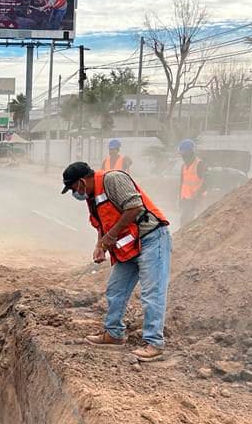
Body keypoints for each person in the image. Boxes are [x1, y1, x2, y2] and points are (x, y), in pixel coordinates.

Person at [61, 160, 172, 361]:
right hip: (129, 246)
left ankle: (154, 343)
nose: (74, 193)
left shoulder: (113, 179)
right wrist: (100, 245)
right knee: (115, 288)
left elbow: (134, 207)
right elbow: (101, 224)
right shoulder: (93, 197)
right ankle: (114, 334)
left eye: (73, 188)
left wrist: (110, 237)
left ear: (82, 181)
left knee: (152, 292)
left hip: (151, 238)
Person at [178, 139, 209, 225]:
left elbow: (206, 182)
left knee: (195, 223)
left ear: (191, 153)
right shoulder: (183, 166)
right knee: (184, 221)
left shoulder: (200, 164)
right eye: (182, 155)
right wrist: (179, 199)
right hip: (185, 199)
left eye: (185, 154)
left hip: (196, 199)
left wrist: (198, 195)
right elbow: (182, 183)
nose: (183, 157)